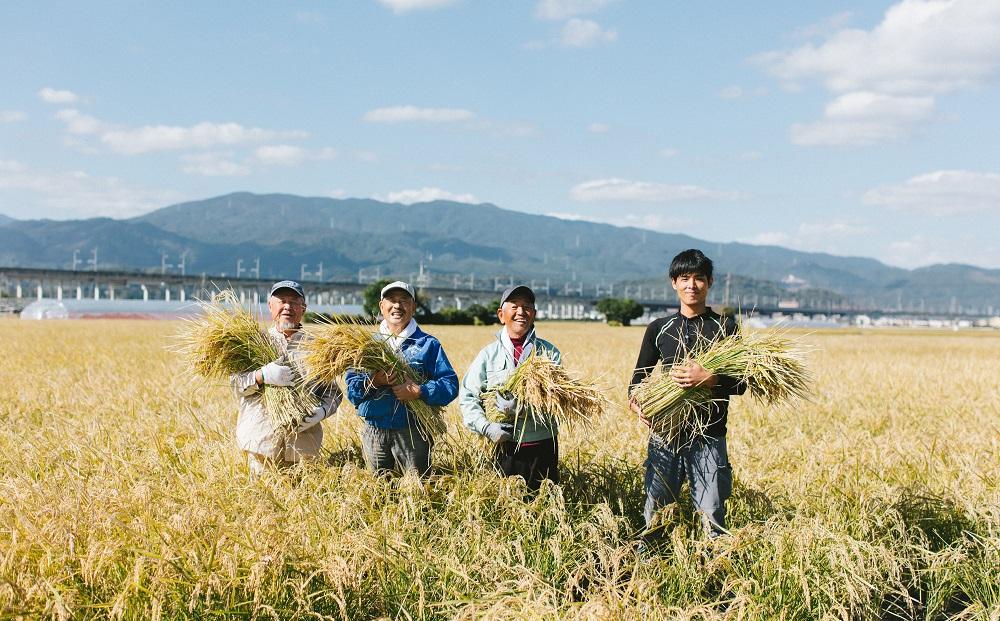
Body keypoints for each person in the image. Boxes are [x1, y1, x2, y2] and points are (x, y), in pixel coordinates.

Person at [629, 249, 746, 540]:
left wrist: (711, 379)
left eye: (699, 278)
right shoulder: (659, 328)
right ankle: (650, 563)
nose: (691, 285)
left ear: (710, 282)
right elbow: (637, 381)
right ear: (674, 283)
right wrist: (637, 404)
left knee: (712, 516)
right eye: (684, 278)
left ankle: (716, 565)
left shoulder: (725, 328)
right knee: (655, 514)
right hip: (665, 436)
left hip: (709, 437)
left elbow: (743, 383)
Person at [345, 281, 458, 476]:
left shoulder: (427, 344)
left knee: (415, 487)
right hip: (374, 431)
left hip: (413, 432)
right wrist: (375, 381)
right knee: (378, 489)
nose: (397, 306)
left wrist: (419, 391)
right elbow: (352, 392)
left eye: (404, 300)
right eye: (392, 300)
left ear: (413, 307)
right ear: (382, 306)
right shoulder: (366, 346)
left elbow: (450, 385)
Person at [231, 280, 343, 476]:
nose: (287, 307)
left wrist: (321, 412)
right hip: (261, 444)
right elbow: (236, 385)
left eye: (294, 302)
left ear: (303, 308)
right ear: (270, 306)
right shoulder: (253, 343)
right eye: (282, 301)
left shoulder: (317, 348)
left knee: (303, 494)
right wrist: (262, 375)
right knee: (262, 495)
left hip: (303, 447)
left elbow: (333, 393)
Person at [460, 285, 561, 491]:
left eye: (527, 307)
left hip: (542, 446)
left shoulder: (549, 353)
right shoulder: (488, 355)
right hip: (502, 446)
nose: (521, 312)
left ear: (534, 314)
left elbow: (560, 401)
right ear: (501, 315)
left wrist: (525, 410)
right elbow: (468, 397)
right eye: (514, 306)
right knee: (506, 504)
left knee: (543, 502)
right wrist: (486, 427)